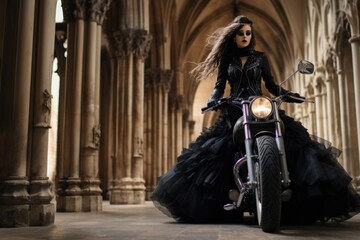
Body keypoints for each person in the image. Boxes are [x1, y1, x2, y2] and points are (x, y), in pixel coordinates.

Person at [151, 15, 360, 224]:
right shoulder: (227, 60)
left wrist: (287, 93)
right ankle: (229, 194)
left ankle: (287, 192)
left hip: (259, 105)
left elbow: (270, 85)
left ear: (252, 36)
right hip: (235, 108)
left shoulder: (260, 58)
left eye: (248, 33)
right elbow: (219, 85)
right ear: (233, 37)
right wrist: (214, 100)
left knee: (295, 142)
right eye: (241, 33)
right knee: (217, 151)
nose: (245, 37)